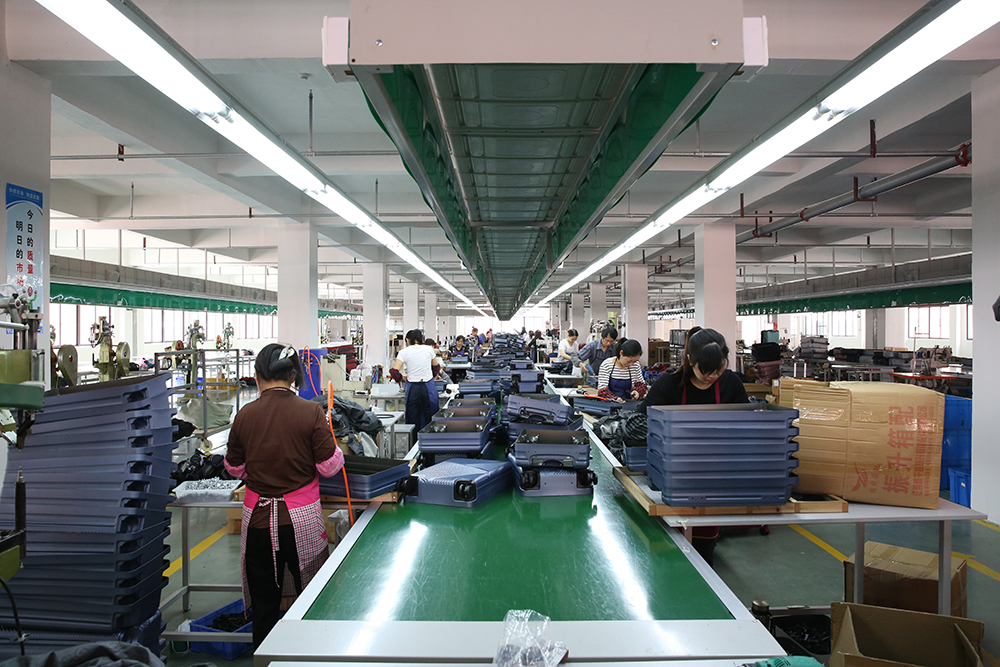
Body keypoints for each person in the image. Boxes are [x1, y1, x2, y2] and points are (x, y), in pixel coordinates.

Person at [224, 343, 347, 647]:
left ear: (257, 376)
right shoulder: (310, 412)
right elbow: (329, 466)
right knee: (312, 596)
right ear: (294, 376)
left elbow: (234, 468)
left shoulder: (244, 415)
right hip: (301, 522)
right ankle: (309, 653)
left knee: (264, 605)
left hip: (258, 522)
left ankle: (266, 656)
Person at [638, 327, 748, 567]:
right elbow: (638, 422)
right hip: (672, 478)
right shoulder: (669, 383)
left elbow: (748, 425)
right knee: (667, 549)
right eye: (705, 370)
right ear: (689, 360)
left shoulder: (731, 383)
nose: (712, 376)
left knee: (703, 551)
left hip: (715, 480)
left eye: (718, 369)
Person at [389, 329, 441, 433]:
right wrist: (431, 375)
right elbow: (436, 367)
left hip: (413, 388)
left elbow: (394, 372)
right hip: (428, 386)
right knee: (431, 417)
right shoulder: (429, 349)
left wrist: (401, 379)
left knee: (413, 420)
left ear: (408, 340)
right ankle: (430, 440)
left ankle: (414, 441)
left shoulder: (404, 352)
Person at [597, 338, 647, 402]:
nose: (631, 364)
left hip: (631, 403)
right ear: (621, 353)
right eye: (629, 361)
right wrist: (614, 399)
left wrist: (637, 391)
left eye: (634, 361)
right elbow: (602, 390)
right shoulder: (607, 365)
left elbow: (641, 384)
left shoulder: (636, 365)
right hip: (611, 404)